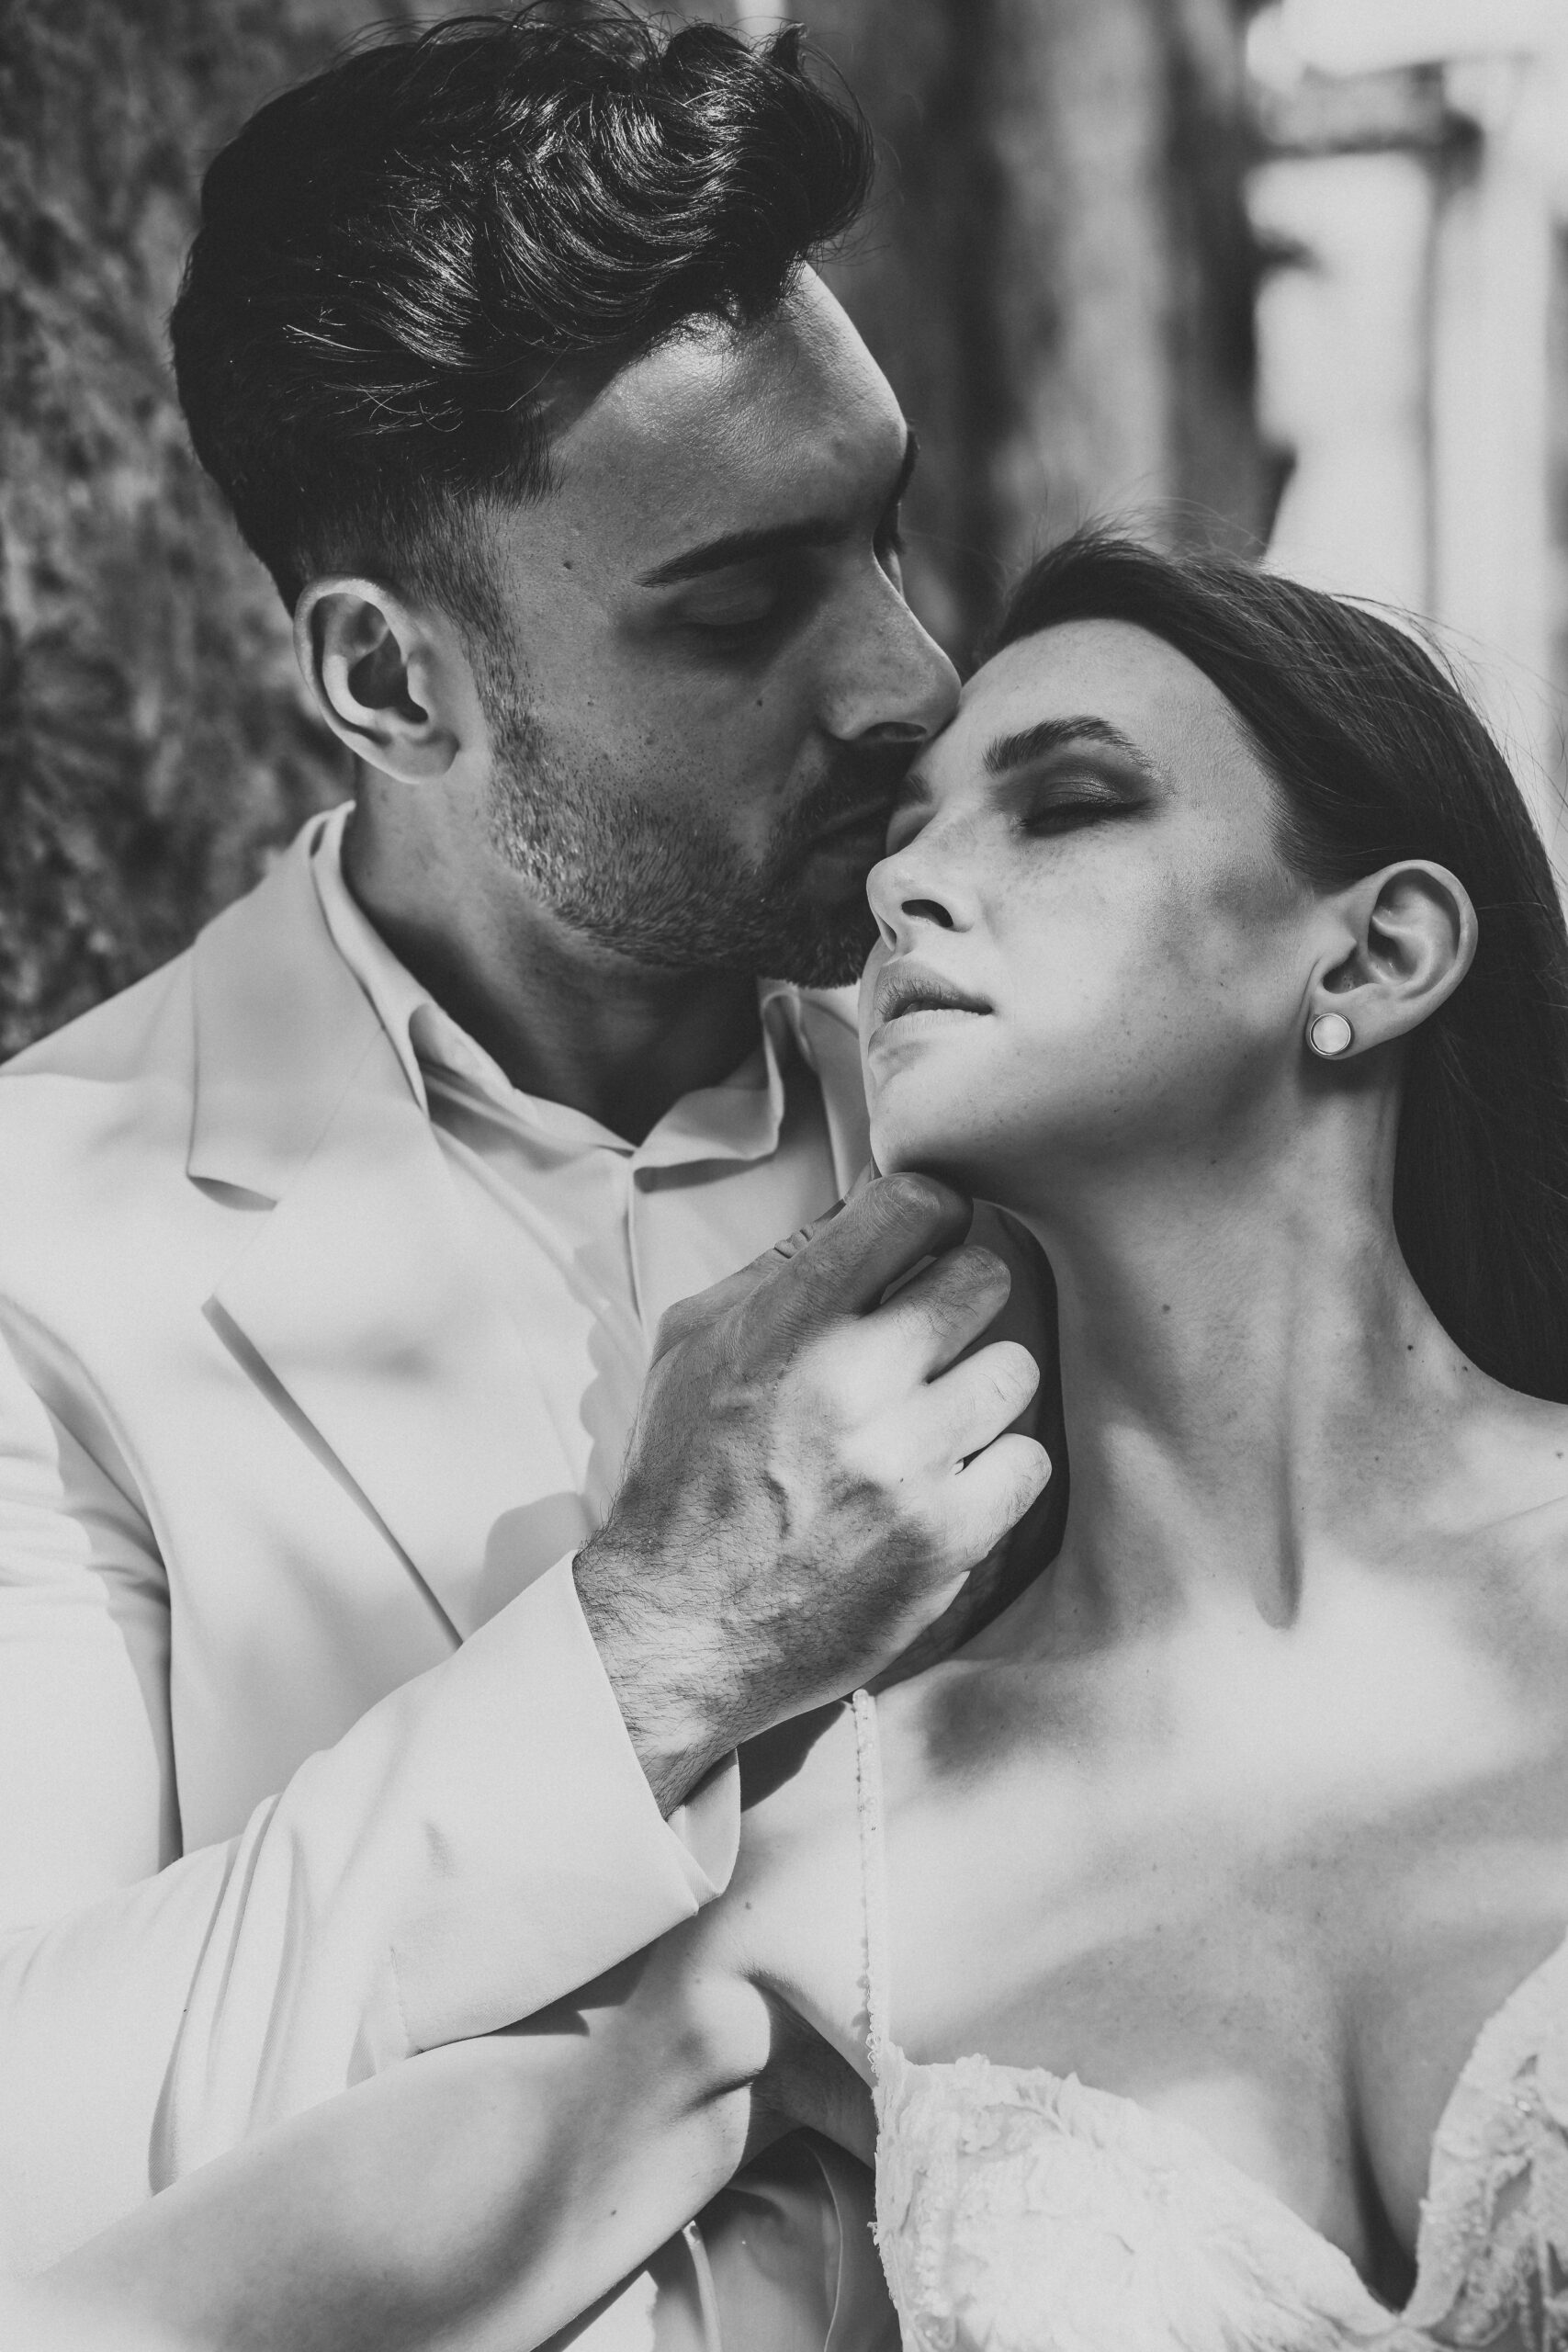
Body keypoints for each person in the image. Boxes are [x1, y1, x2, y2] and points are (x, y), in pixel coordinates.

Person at [58, 531, 1568, 2352]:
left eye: (1064, 804)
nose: (909, 881)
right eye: (909, 827)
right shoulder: (845, 1853)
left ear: (1378, 947)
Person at [0, 10, 1051, 2333]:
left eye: (879, 527)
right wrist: (647, 1649)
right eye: (737, 604)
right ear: (390, 686)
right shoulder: (38, 1250)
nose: (906, 677)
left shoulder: (1076, 1084)